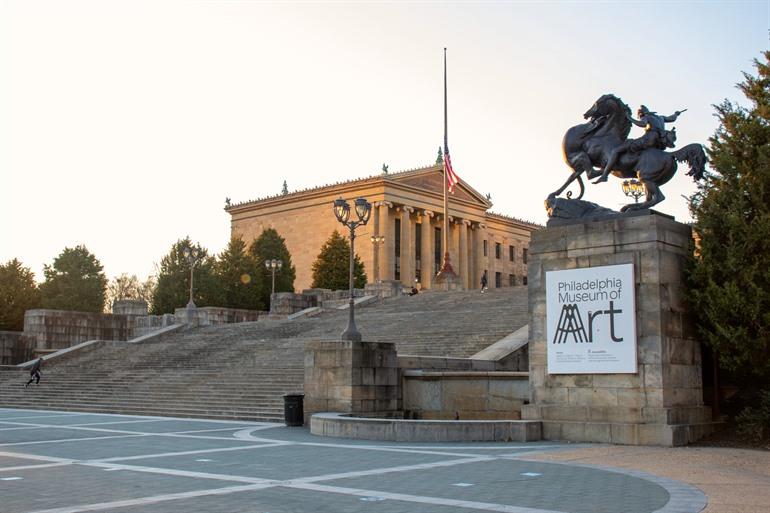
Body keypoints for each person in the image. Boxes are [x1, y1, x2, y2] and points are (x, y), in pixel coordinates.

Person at [594, 105, 685, 183]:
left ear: (641, 113)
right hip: (656, 142)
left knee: (616, 150)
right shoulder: (660, 117)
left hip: (646, 140)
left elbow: (641, 124)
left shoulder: (646, 117)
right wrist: (676, 114)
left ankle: (605, 175)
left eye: (639, 115)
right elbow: (671, 118)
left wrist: (629, 117)